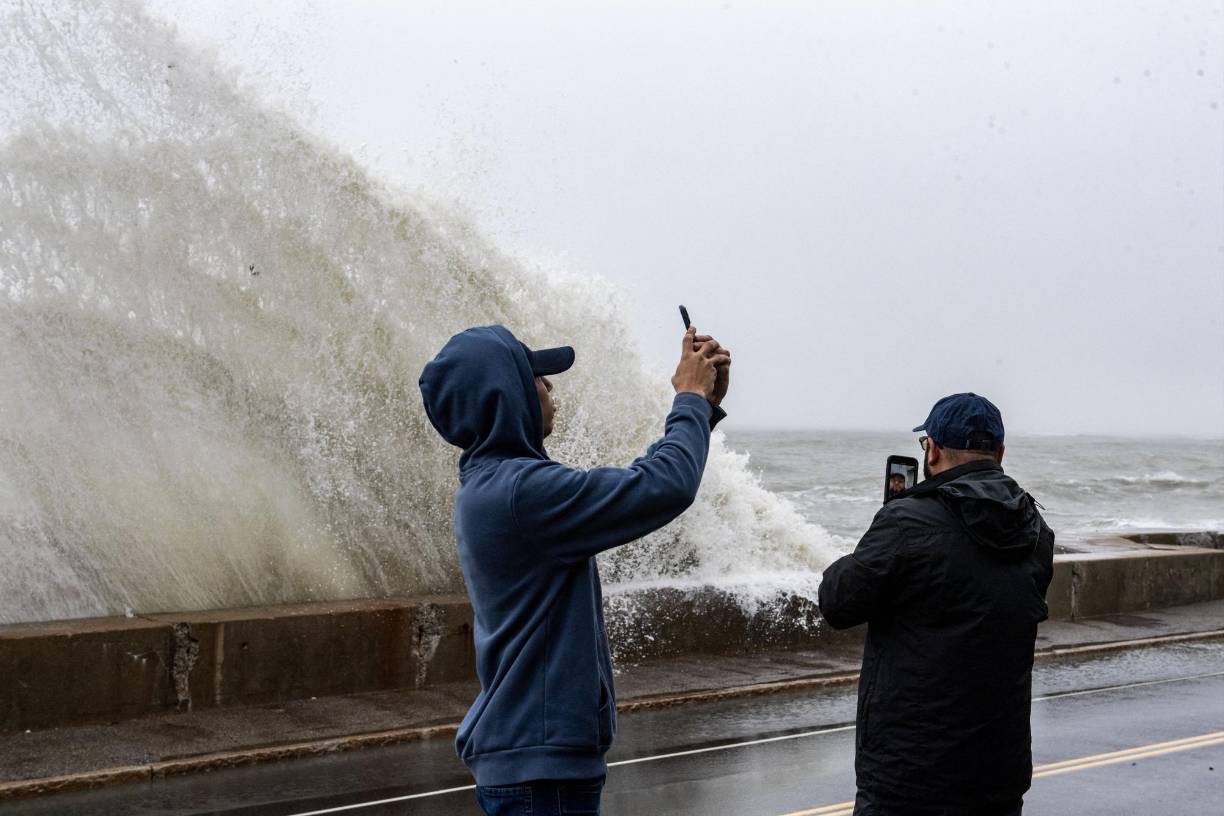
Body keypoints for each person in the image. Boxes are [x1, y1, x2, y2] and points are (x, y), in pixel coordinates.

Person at [418, 323, 730, 815]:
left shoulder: (494, 486)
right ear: (509, 395)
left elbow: (637, 484)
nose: (551, 387)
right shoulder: (523, 493)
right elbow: (664, 486)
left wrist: (702, 409)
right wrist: (689, 398)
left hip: (532, 765)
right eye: (540, 378)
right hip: (543, 779)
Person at [819, 393, 1055, 816]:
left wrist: (886, 528)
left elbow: (837, 602)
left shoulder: (907, 521)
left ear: (932, 450)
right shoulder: (1036, 529)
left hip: (909, 776)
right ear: (1000, 453)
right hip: (998, 772)